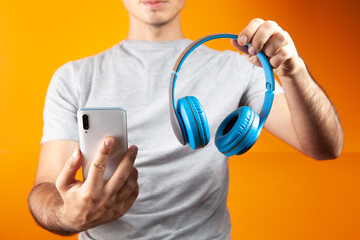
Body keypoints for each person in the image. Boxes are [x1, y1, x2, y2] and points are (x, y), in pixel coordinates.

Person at [28, 0, 344, 239]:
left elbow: (325, 146)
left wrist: (293, 71)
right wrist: (67, 213)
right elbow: (45, 189)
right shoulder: (73, 78)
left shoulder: (237, 68)